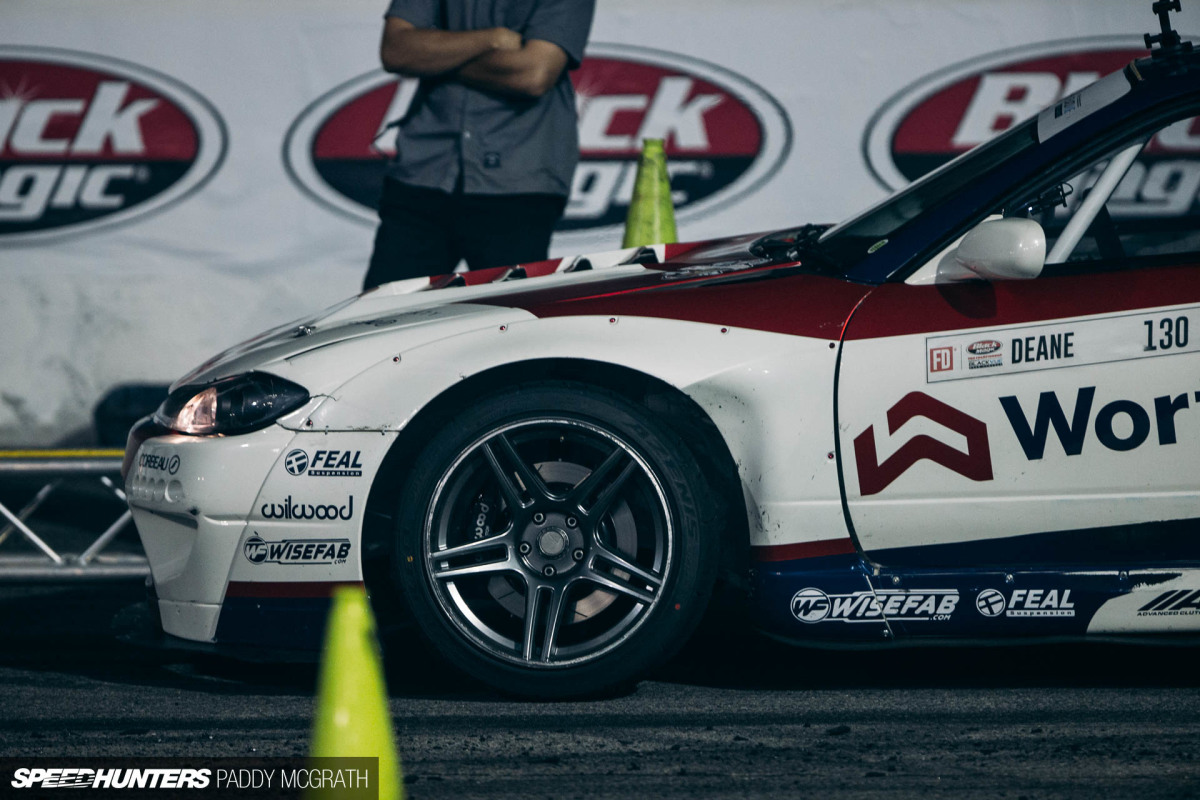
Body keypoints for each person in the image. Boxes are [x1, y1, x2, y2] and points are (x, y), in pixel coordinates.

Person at [363, 0, 596, 290]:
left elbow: (533, 74)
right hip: (425, 170)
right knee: (382, 322)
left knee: (510, 323)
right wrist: (491, 39)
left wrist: (439, 56)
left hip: (518, 178)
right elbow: (396, 50)